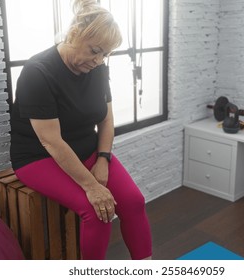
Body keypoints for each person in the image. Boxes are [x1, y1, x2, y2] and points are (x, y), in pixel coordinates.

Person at [9, 0, 152, 260]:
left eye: (105, 54)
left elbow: (106, 120)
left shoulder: (97, 69)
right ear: (74, 34)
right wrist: (91, 186)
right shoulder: (37, 72)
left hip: (87, 149)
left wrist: (103, 159)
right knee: (97, 212)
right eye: (95, 51)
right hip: (39, 157)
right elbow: (50, 141)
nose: (98, 60)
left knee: (133, 202)